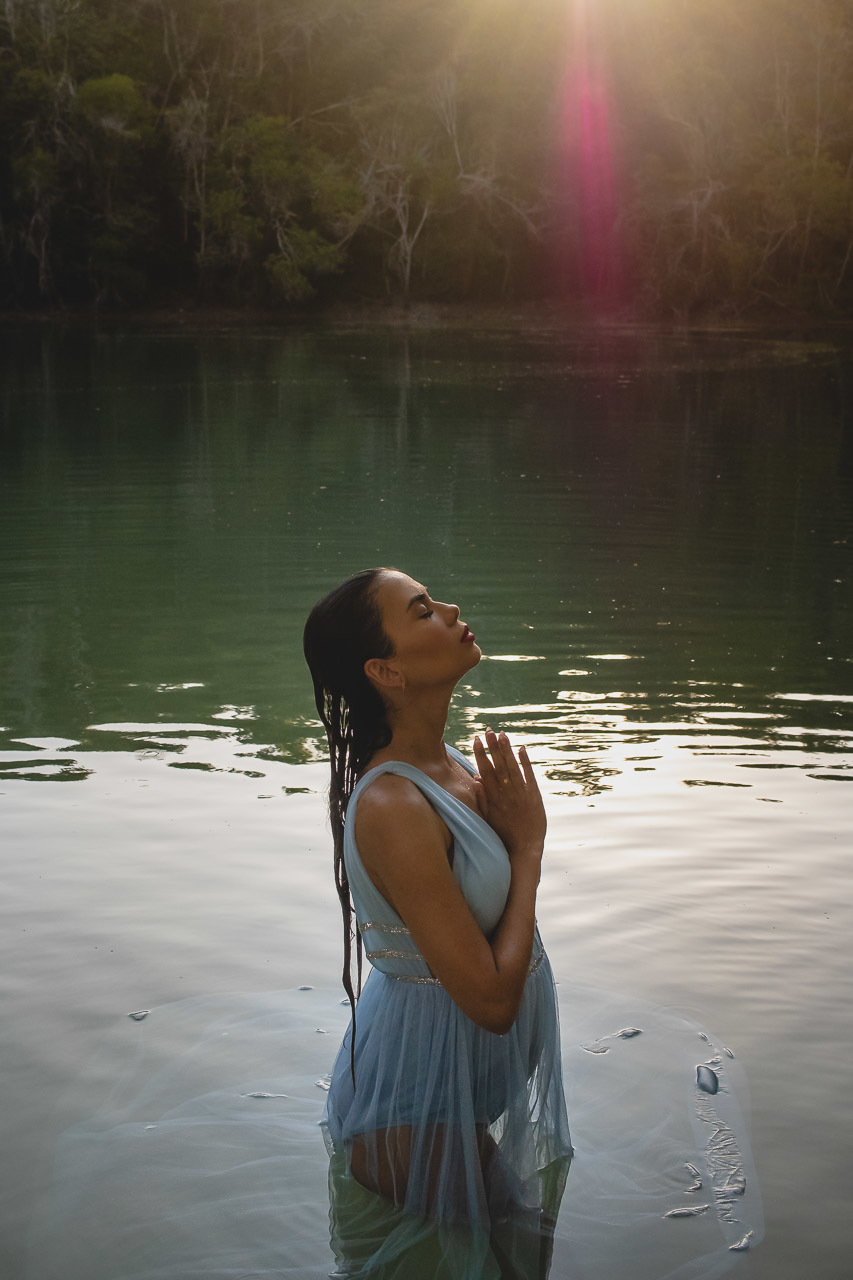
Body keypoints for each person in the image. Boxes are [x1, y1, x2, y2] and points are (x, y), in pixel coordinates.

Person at [303, 566, 573, 1280]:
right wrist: (528, 849)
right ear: (385, 670)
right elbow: (488, 1002)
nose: (451, 609)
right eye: (422, 610)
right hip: (410, 1121)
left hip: (455, 1102)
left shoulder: (454, 768)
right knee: (517, 1264)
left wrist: (518, 844)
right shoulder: (395, 806)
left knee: (519, 1258)